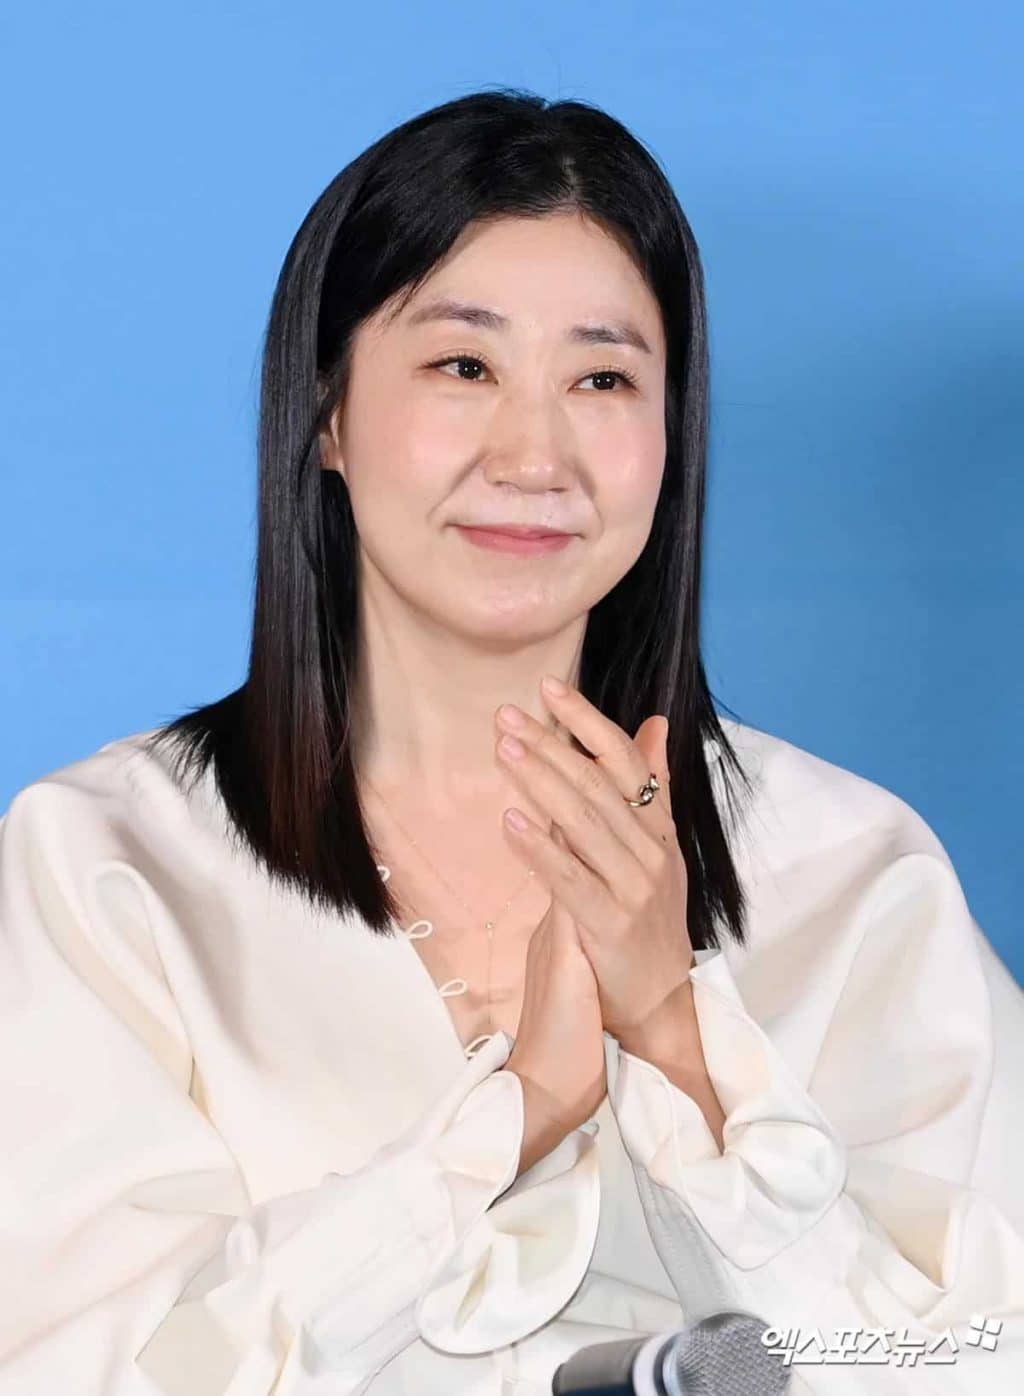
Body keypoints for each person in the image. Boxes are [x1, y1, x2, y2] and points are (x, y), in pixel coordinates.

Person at [1, 87, 1021, 1396]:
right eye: (464, 367)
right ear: (327, 413)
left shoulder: (856, 872)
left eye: (602, 379)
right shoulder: (108, 869)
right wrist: (520, 1115)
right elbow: (76, 1368)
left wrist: (676, 1041)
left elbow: (978, 1357)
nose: (537, 454)